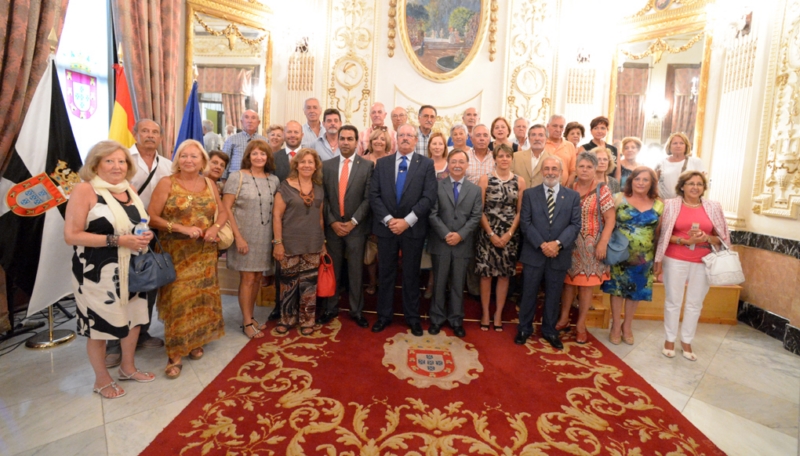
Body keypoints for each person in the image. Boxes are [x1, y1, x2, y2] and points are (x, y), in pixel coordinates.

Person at [65, 140, 156, 399]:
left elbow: (137, 223)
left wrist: (144, 234)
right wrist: (117, 241)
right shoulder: (85, 190)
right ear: (95, 164)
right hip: (96, 273)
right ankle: (101, 379)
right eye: (109, 161)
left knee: (134, 318)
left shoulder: (129, 190)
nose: (117, 166)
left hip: (133, 269)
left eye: (121, 161)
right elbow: (71, 235)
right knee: (100, 326)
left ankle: (127, 367)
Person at [148, 140, 227, 379]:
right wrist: (179, 228)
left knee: (200, 298)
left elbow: (222, 212)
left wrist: (214, 228)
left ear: (203, 161)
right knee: (178, 302)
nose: (189, 160)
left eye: (194, 156)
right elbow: (150, 217)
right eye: (184, 156)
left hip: (204, 254)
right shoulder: (166, 183)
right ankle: (175, 354)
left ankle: (195, 341)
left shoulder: (210, 184)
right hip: (176, 256)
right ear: (177, 159)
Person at [369, 124, 437, 335]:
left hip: (413, 228)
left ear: (416, 140)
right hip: (387, 228)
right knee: (386, 273)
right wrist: (390, 220)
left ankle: (412, 317)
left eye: (410, 135)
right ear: (396, 138)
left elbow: (428, 197)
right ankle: (384, 316)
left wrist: (407, 221)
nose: (406, 138)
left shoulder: (426, 164)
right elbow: (374, 195)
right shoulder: (382, 163)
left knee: (411, 275)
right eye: (402, 135)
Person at [654, 171, 729, 361]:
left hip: (703, 260)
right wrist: (683, 241)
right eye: (691, 183)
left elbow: (721, 237)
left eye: (699, 184)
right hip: (675, 257)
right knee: (673, 300)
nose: (695, 187)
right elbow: (662, 234)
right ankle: (669, 339)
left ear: (704, 188)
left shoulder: (713, 207)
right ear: (682, 186)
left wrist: (706, 237)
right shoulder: (670, 205)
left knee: (695, 303)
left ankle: (686, 340)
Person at [516, 156, 581, 349]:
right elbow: (525, 223)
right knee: (528, 292)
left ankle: (550, 330)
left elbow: (575, 224)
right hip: (534, 252)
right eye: (547, 169)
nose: (550, 172)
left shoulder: (572, 196)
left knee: (553, 295)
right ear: (541, 171)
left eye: (554, 169)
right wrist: (543, 244)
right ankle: (524, 329)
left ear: (561, 173)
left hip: (559, 254)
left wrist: (557, 244)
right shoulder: (529, 194)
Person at [556, 152, 616, 344]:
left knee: (586, 286)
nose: (584, 170)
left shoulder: (602, 190)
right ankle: (564, 318)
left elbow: (610, 219)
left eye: (589, 167)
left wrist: (603, 242)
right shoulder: (568, 187)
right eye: (581, 166)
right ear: (576, 168)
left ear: (596, 169)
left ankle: (581, 324)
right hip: (569, 243)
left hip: (592, 245)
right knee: (567, 283)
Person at [222, 139, 279, 339]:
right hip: (244, 236)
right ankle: (246, 322)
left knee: (256, 278)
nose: (259, 157)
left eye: (263, 154)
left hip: (264, 238)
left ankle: (251, 316)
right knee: (247, 279)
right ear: (248, 157)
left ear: (268, 157)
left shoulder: (273, 180)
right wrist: (238, 237)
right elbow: (226, 208)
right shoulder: (237, 177)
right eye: (255, 153)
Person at [319, 126, 373, 328]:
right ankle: (330, 309)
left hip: (356, 229)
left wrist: (353, 222)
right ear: (338, 140)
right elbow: (323, 197)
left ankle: (356, 311)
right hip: (333, 228)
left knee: (356, 271)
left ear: (357, 142)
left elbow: (368, 199)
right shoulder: (327, 166)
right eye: (342, 138)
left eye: (350, 138)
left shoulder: (366, 167)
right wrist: (332, 222)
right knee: (333, 270)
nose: (345, 142)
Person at [602, 167, 663, 345]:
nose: (641, 183)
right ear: (631, 181)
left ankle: (627, 326)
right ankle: (615, 326)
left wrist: (658, 259)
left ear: (652, 183)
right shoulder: (618, 198)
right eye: (637, 179)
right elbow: (608, 224)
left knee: (635, 292)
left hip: (644, 256)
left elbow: (658, 234)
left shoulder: (659, 204)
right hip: (619, 253)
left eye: (645, 180)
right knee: (617, 289)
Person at [126, 119, 172, 355]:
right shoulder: (122, 159)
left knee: (148, 283)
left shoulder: (168, 165)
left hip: (154, 232)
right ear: (135, 134)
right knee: (124, 286)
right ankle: (116, 342)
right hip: (124, 233)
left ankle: (142, 333)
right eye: (145, 131)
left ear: (161, 138)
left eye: (155, 132)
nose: (150, 135)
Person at [428, 149, 483, 337]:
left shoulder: (475, 190)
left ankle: (456, 320)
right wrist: (446, 234)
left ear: (467, 166)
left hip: (462, 243)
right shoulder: (436, 186)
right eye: (454, 162)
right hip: (441, 242)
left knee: (459, 284)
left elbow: (476, 217)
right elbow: (432, 214)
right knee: (439, 282)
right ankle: (436, 319)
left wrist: (460, 235)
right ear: (448, 164)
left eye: (461, 162)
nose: (457, 165)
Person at [272, 148, 326, 336]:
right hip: (289, 244)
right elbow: (277, 216)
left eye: (310, 162)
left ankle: (307, 320)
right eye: (303, 162)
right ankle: (286, 319)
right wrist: (278, 243)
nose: (306, 165)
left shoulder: (318, 188)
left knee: (309, 285)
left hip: (313, 244)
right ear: (296, 164)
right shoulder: (284, 186)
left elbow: (319, 218)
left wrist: (323, 243)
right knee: (288, 284)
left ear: (315, 166)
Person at [476, 144, 526, 332]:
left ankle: (498, 314)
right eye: (501, 156)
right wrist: (491, 234)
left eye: (507, 156)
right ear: (494, 158)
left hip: (509, 235)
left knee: (504, 276)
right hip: (487, 233)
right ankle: (486, 313)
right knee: (486, 275)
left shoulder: (519, 181)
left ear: (512, 159)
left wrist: (509, 234)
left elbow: (520, 212)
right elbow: (479, 210)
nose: (504, 159)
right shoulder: (485, 179)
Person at [362, 128, 394, 295]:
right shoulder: (363, 160)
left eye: (382, 139)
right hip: (366, 211)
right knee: (370, 251)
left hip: (386, 210)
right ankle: (372, 281)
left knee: (385, 250)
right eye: (376, 139)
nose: (379, 142)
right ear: (371, 141)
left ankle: (385, 281)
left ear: (387, 142)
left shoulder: (392, 160)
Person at [656, 132, 704, 200]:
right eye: (675, 143)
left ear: (686, 146)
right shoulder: (661, 162)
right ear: (669, 146)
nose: (678, 146)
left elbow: (702, 184)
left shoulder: (696, 162)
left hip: (687, 202)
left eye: (681, 143)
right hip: (665, 202)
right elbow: (653, 182)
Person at [222, 109, 266, 177]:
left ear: (258, 122)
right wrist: (223, 178)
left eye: (253, 118)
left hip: (258, 178)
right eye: (246, 117)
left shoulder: (265, 141)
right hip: (235, 177)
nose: (250, 121)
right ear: (242, 122)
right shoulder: (231, 140)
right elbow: (224, 160)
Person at [544, 115, 576, 185]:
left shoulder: (569, 145)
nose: (558, 130)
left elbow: (573, 171)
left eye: (561, 127)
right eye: (555, 126)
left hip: (564, 189)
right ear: (547, 126)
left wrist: (566, 188)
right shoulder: (541, 145)